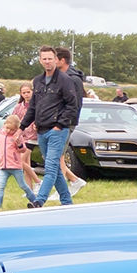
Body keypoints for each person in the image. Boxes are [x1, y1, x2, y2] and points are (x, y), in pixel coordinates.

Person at [19, 45, 80, 206]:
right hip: (42, 130)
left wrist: (60, 125)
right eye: (44, 59)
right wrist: (21, 127)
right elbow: (33, 107)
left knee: (51, 166)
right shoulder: (38, 81)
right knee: (54, 168)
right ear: (40, 61)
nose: (47, 62)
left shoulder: (65, 80)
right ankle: (67, 201)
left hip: (57, 131)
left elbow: (72, 105)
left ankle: (39, 200)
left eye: (50, 59)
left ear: (56, 60)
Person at [53, 47, 88, 196]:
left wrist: (63, 122)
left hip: (66, 122)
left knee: (58, 155)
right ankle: (74, 181)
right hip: (57, 121)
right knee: (56, 156)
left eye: (54, 59)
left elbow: (74, 104)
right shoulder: (60, 76)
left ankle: (62, 190)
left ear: (62, 60)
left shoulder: (73, 79)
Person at [0, 116, 38, 210]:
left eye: (12, 130)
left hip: (16, 167)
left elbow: (23, 150)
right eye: (7, 128)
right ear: (4, 125)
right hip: (3, 167)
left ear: (16, 129)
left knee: (23, 185)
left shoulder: (17, 137)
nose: (8, 131)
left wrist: (19, 144)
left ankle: (34, 200)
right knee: (0, 186)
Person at [8, 82, 42, 192]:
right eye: (24, 93)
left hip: (32, 136)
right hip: (22, 136)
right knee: (26, 164)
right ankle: (30, 189)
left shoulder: (37, 105)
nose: (26, 95)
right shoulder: (19, 107)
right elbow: (13, 119)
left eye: (28, 92)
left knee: (20, 160)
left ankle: (37, 181)